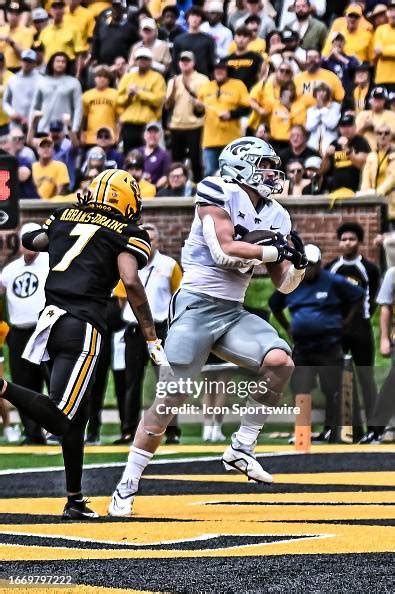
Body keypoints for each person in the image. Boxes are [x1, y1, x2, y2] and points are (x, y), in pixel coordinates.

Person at [108, 136, 309, 517]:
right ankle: (128, 483)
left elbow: (282, 283)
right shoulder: (217, 190)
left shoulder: (277, 215)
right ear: (242, 166)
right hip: (196, 305)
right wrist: (273, 250)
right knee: (171, 397)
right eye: (264, 165)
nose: (272, 172)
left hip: (233, 311)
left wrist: (297, 263)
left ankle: (241, 447)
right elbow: (223, 251)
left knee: (281, 362)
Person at [0, 169, 169, 519]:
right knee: (62, 417)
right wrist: (151, 335)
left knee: (74, 418)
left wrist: (69, 219)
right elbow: (131, 282)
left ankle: (74, 499)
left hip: (50, 322)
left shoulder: (63, 216)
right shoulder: (128, 232)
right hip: (83, 325)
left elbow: (32, 240)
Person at [269, 243, 364, 442]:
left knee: (332, 388)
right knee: (301, 388)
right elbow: (274, 304)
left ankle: (330, 429)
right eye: (305, 265)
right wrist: (288, 326)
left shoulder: (333, 281)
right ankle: (302, 431)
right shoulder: (293, 281)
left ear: (320, 264)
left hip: (328, 345)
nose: (308, 269)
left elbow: (357, 296)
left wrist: (346, 323)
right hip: (303, 347)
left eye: (312, 265)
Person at [113, 223, 182, 444]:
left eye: (151, 240)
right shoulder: (129, 262)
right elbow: (122, 297)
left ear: (158, 242)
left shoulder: (169, 265)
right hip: (134, 330)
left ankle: (171, 431)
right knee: (131, 381)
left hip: (160, 328)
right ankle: (128, 429)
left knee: (166, 381)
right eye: (145, 240)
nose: (148, 244)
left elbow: (178, 297)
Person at [326, 222, 380, 432]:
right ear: (339, 242)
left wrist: (363, 317)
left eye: (352, 239)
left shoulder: (370, 269)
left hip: (361, 330)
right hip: (336, 330)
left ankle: (375, 429)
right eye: (344, 239)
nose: (347, 243)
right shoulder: (331, 268)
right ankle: (341, 428)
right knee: (335, 378)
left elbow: (374, 298)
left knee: (366, 377)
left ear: (359, 242)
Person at [0, 223, 49, 444]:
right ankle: (32, 433)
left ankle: (60, 429)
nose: (27, 245)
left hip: (45, 330)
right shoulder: (10, 270)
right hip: (19, 331)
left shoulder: (51, 264)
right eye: (24, 240)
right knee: (22, 383)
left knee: (54, 381)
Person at [195, 60, 250, 176]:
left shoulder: (238, 85)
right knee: (210, 173)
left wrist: (231, 114)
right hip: (210, 140)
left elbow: (247, 108)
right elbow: (198, 113)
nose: (219, 71)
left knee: (233, 173)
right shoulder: (206, 88)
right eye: (217, 68)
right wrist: (198, 108)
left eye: (222, 68)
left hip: (232, 140)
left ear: (227, 70)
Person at [360, 266, 395, 443]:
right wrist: (384, 339)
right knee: (392, 385)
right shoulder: (393, 273)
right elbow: (386, 307)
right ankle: (376, 430)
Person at [165, 50, 208, 182]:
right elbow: (167, 105)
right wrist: (173, 90)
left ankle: (198, 187)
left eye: (187, 61)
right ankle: (176, 187)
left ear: (193, 63)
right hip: (177, 125)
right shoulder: (173, 81)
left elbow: (205, 104)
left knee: (196, 161)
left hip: (195, 125)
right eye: (182, 61)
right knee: (176, 161)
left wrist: (191, 91)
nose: (185, 63)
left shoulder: (202, 79)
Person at [117, 48, 166, 154]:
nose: (142, 61)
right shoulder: (128, 77)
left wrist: (139, 93)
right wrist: (128, 96)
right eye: (139, 58)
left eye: (145, 59)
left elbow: (158, 100)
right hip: (129, 124)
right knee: (129, 155)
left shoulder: (157, 78)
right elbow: (119, 100)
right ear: (135, 61)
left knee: (148, 154)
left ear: (150, 61)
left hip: (148, 125)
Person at [29, 52, 82, 142]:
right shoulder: (42, 81)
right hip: (43, 129)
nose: (60, 64)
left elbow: (78, 108)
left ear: (67, 64)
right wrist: (31, 126)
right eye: (57, 61)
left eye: (63, 62)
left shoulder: (74, 82)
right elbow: (35, 106)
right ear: (52, 63)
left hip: (65, 131)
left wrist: (75, 129)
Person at [321, 113, 370, 196]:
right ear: (339, 129)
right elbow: (322, 171)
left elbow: (362, 165)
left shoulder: (361, 142)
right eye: (343, 126)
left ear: (355, 127)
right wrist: (326, 156)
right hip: (335, 192)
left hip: (355, 192)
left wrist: (348, 151)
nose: (346, 129)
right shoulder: (334, 144)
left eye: (349, 126)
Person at [38, 0, 84, 77]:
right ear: (50, 11)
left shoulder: (73, 29)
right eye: (55, 8)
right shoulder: (45, 31)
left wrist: (78, 73)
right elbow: (41, 53)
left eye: (60, 8)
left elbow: (79, 54)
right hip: (49, 68)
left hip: (68, 67)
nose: (58, 11)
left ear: (64, 10)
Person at [90, 0, 139, 66]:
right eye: (114, 5)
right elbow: (96, 37)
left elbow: (136, 41)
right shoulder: (103, 15)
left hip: (123, 65)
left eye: (118, 5)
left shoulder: (131, 17)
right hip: (103, 64)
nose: (116, 9)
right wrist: (94, 57)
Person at [172, 6, 216, 78]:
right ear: (187, 18)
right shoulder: (178, 39)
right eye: (192, 15)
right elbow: (174, 62)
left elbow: (211, 62)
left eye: (198, 16)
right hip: (183, 78)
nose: (195, 19)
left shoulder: (208, 40)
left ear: (201, 19)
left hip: (203, 79)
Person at [359, 124, 395, 208]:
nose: (383, 136)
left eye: (386, 133)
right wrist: (365, 194)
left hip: (391, 201)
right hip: (375, 202)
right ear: (376, 136)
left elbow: (393, 178)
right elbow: (366, 179)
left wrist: (377, 193)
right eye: (380, 133)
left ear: (390, 136)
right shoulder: (371, 156)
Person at [3, 49, 40, 129]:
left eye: (30, 61)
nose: (26, 63)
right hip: (16, 124)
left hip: (36, 124)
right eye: (24, 60)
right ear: (20, 61)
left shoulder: (41, 80)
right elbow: (5, 102)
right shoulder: (12, 79)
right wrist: (12, 113)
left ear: (34, 63)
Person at [82, 65, 118, 147]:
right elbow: (84, 117)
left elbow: (119, 118)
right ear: (94, 78)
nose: (102, 79)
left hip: (110, 137)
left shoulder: (115, 94)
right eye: (99, 76)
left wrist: (118, 135)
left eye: (105, 77)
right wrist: (82, 134)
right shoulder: (86, 95)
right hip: (91, 138)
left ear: (109, 80)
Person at [305, 82, 341, 154]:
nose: (321, 93)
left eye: (323, 91)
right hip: (313, 146)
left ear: (328, 93)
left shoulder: (335, 107)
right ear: (315, 93)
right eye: (318, 91)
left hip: (330, 145)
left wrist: (322, 110)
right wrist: (321, 111)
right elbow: (309, 127)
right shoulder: (311, 110)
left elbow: (332, 124)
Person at [356, 86, 395, 151]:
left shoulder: (392, 115)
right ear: (370, 100)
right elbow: (353, 137)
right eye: (375, 98)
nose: (377, 100)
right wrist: (364, 127)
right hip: (366, 152)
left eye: (380, 98)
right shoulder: (362, 114)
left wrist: (375, 128)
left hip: (387, 152)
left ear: (385, 101)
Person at [226, 25, 263, 91]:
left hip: (248, 94)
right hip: (230, 94)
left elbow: (261, 78)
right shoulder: (226, 59)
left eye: (245, 36)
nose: (241, 39)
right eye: (239, 35)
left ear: (250, 39)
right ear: (234, 37)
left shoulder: (257, 58)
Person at [136, 122, 171, 188]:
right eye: (150, 132)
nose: (152, 135)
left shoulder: (165, 155)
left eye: (155, 133)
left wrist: (154, 187)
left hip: (154, 191)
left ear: (160, 135)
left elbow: (166, 175)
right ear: (144, 135)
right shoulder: (136, 152)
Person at [373, 2, 395, 90]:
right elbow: (376, 51)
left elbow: (380, 50)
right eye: (391, 10)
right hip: (381, 79)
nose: (393, 14)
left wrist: (383, 51)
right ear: (387, 13)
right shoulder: (380, 29)